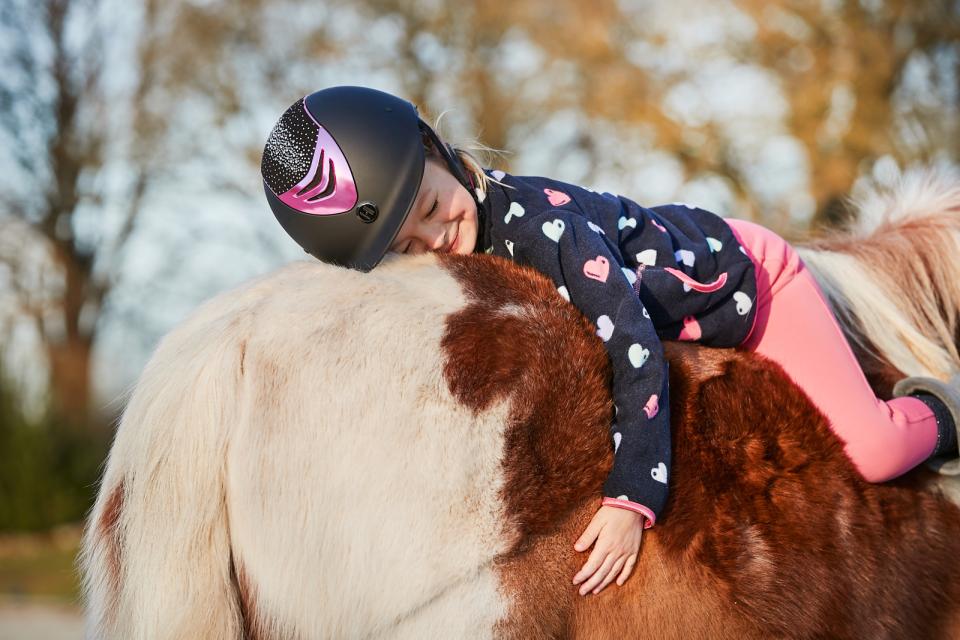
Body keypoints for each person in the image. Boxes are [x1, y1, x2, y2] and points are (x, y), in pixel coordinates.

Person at [260, 85, 960, 597]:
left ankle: (943, 412)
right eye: (409, 246)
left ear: (435, 149)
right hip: (685, 309)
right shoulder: (466, 266)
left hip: (753, 287)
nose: (439, 239)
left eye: (433, 208)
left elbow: (632, 353)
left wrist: (632, 500)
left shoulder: (542, 232)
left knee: (873, 449)